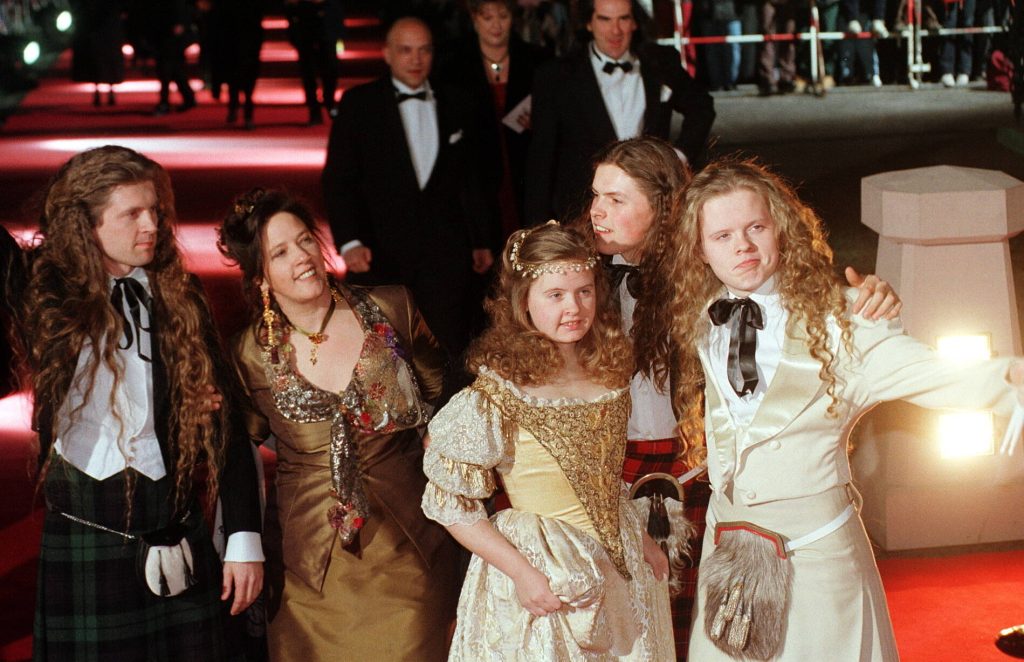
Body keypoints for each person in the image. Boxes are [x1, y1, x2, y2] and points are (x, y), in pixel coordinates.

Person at [663, 158, 1024, 660]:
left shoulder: (847, 320)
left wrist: (1012, 381)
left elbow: (934, 373)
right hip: (727, 549)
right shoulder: (701, 318)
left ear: (780, 229)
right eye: (722, 236)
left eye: (755, 228)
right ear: (700, 250)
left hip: (817, 554)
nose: (742, 246)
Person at [577, 135, 901, 659]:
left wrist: (870, 298)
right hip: (609, 470)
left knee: (711, 631)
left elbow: (791, 299)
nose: (597, 211)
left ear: (664, 205)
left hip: (701, 477)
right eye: (596, 196)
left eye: (617, 199)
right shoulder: (579, 277)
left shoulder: (711, 279)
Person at [0, 145, 263, 661]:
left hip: (177, 525)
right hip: (86, 530)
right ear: (87, 223)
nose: (153, 225)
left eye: (156, 211)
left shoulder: (180, 294)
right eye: (133, 214)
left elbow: (228, 419)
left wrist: (243, 539)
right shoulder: (42, 290)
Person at [218, 188, 460, 661]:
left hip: (412, 543)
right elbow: (237, 450)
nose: (301, 257)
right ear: (260, 276)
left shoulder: (392, 308)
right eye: (280, 253)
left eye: (305, 240)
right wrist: (241, 543)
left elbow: (446, 394)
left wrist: (440, 435)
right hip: (308, 566)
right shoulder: (248, 354)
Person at [421, 221, 678, 659]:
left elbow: (598, 476)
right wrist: (521, 573)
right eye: (555, 295)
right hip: (548, 571)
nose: (573, 307)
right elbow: (450, 504)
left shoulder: (609, 373)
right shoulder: (500, 392)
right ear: (524, 302)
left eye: (583, 291)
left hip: (619, 568)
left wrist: (640, 538)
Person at [322, 16, 495, 362]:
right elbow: (339, 180)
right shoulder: (359, 105)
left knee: (448, 353)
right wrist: (350, 241)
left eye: (424, 50)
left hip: (446, 257)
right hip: (380, 256)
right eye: (406, 50)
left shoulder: (458, 102)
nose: (416, 60)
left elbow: (472, 180)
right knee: (382, 359)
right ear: (387, 54)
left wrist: (482, 239)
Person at [524, 0, 715, 225]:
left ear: (634, 22)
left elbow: (701, 107)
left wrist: (678, 157)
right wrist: (537, 226)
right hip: (584, 213)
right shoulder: (555, 76)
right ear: (589, 23)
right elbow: (541, 158)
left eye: (623, 19)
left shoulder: (660, 62)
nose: (615, 30)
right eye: (605, 19)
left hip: (653, 207)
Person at [436, 0, 548, 241]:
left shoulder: (538, 61)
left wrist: (540, 122)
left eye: (503, 16)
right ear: (475, 19)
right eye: (487, 18)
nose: (496, 25)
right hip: (477, 172)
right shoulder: (453, 66)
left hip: (526, 168)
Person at [285, 0, 344, 125]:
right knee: (308, 72)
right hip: (305, 24)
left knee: (330, 69)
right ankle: (314, 110)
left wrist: (338, 33)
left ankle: (329, 102)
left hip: (326, 26)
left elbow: (336, 9)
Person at [70, 0, 126, 107]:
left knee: (101, 57)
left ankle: (103, 91)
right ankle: (105, 91)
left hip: (101, 24)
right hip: (101, 24)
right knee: (100, 57)